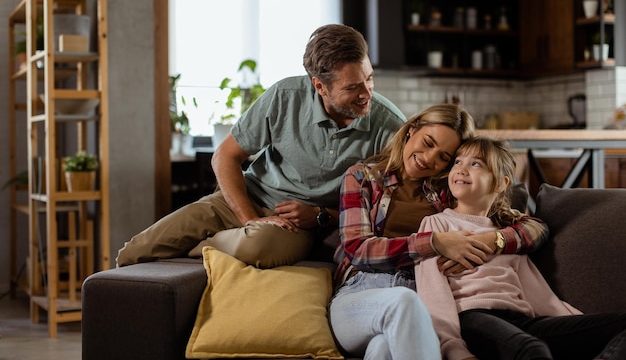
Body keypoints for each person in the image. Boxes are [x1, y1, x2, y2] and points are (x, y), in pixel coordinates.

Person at [116, 23, 406, 268]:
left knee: (258, 247)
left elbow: (392, 203)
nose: (366, 93)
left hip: (297, 222)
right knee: (133, 252)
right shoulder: (285, 96)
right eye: (352, 87)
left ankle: (201, 246)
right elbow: (225, 156)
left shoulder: (389, 125)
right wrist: (249, 218)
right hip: (248, 197)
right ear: (320, 86)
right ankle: (221, 239)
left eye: (369, 79)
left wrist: (321, 216)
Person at [329, 104, 550, 360]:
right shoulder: (363, 177)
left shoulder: (447, 189)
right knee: (403, 303)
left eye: (444, 157)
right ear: (411, 131)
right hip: (362, 293)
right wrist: (433, 242)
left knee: (382, 349)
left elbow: (535, 227)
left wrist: (494, 240)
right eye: (428, 142)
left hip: (421, 296)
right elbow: (358, 249)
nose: (429, 158)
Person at [415, 136, 626, 360]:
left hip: (522, 320)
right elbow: (433, 294)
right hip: (473, 318)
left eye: (476, 163)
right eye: (457, 162)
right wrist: (452, 346)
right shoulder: (437, 225)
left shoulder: (509, 234)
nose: (462, 169)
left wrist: (575, 323)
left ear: (501, 183)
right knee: (532, 350)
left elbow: (539, 294)